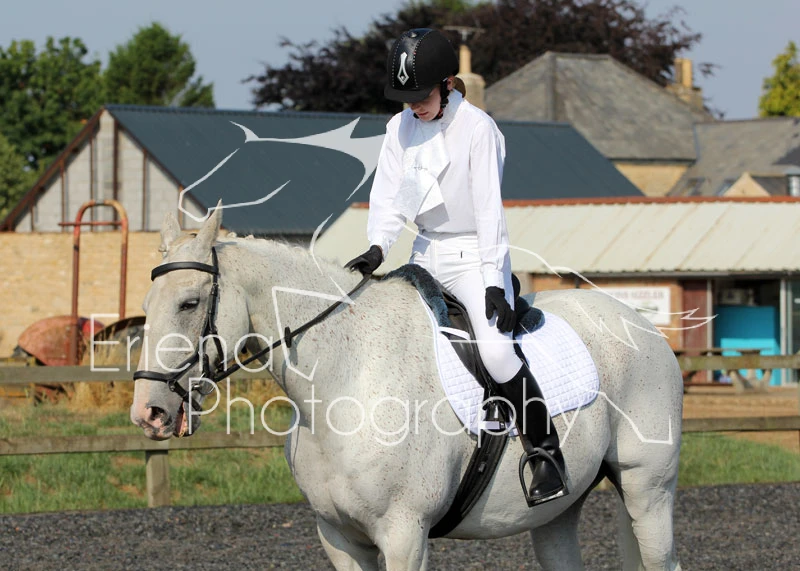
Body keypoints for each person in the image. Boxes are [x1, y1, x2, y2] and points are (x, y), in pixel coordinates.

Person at [345, 28, 568, 507]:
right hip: (424, 252)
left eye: (421, 96)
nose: (414, 107)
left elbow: (490, 213)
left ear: (447, 84)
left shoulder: (478, 129)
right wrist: (377, 247)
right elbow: (392, 197)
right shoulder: (400, 127)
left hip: (473, 254)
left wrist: (493, 280)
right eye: (406, 99)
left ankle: (545, 454)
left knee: (496, 352)